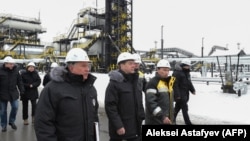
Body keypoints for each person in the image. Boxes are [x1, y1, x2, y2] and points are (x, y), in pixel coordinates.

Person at [34, 48, 99, 141]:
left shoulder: (91, 89)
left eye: (88, 65)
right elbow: (43, 123)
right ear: (71, 66)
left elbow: (94, 120)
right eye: (83, 65)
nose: (87, 69)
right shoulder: (53, 89)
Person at [105, 52, 145, 141]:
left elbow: (138, 101)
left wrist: (141, 116)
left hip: (136, 129)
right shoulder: (115, 83)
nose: (133, 65)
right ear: (121, 65)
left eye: (134, 63)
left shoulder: (135, 81)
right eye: (130, 63)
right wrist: (118, 126)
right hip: (121, 131)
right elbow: (111, 107)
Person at [144, 59, 175, 125]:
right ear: (157, 70)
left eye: (168, 70)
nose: (166, 72)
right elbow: (151, 103)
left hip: (167, 120)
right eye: (164, 70)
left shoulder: (168, 83)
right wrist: (162, 117)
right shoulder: (152, 83)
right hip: (155, 121)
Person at [0, 56, 25, 132]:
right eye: (10, 64)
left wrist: (22, 90)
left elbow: (19, 81)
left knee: (15, 107)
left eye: (13, 64)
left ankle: (11, 121)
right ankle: (4, 125)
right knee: (3, 111)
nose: (12, 65)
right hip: (2, 94)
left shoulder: (16, 70)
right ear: (5, 64)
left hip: (13, 93)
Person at [172, 58, 196, 125]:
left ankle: (172, 120)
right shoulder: (177, 73)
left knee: (177, 108)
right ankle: (188, 123)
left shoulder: (187, 73)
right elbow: (174, 85)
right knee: (185, 109)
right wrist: (177, 95)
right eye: (187, 66)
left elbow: (189, 82)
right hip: (180, 95)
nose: (189, 67)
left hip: (185, 94)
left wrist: (192, 90)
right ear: (183, 65)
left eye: (189, 66)